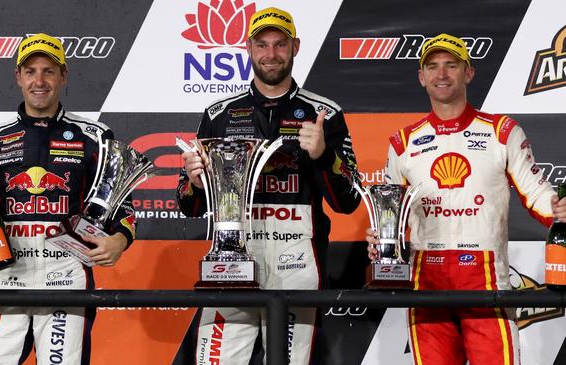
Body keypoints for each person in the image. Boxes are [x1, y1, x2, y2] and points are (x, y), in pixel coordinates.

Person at [366, 33, 566, 365]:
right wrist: (381, 239)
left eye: (451, 65)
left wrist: (559, 209)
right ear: (421, 77)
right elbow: (391, 215)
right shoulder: (403, 141)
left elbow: (537, 193)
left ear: (468, 73)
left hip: (486, 280)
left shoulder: (501, 131)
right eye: (432, 67)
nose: (441, 75)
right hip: (425, 281)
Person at [176, 7, 361, 364]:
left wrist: (323, 156)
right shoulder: (220, 114)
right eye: (262, 45)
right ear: (248, 49)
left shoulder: (325, 113)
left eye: (280, 44)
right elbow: (189, 205)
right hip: (229, 262)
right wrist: (197, 184)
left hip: (298, 265)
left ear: (295, 47)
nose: (271, 54)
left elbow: (348, 201)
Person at [0, 33, 136, 365]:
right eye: (30, 71)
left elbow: (122, 203)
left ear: (63, 76)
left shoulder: (95, 136)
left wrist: (119, 240)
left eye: (48, 71)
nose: (39, 81)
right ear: (18, 77)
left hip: (66, 277)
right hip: (7, 278)